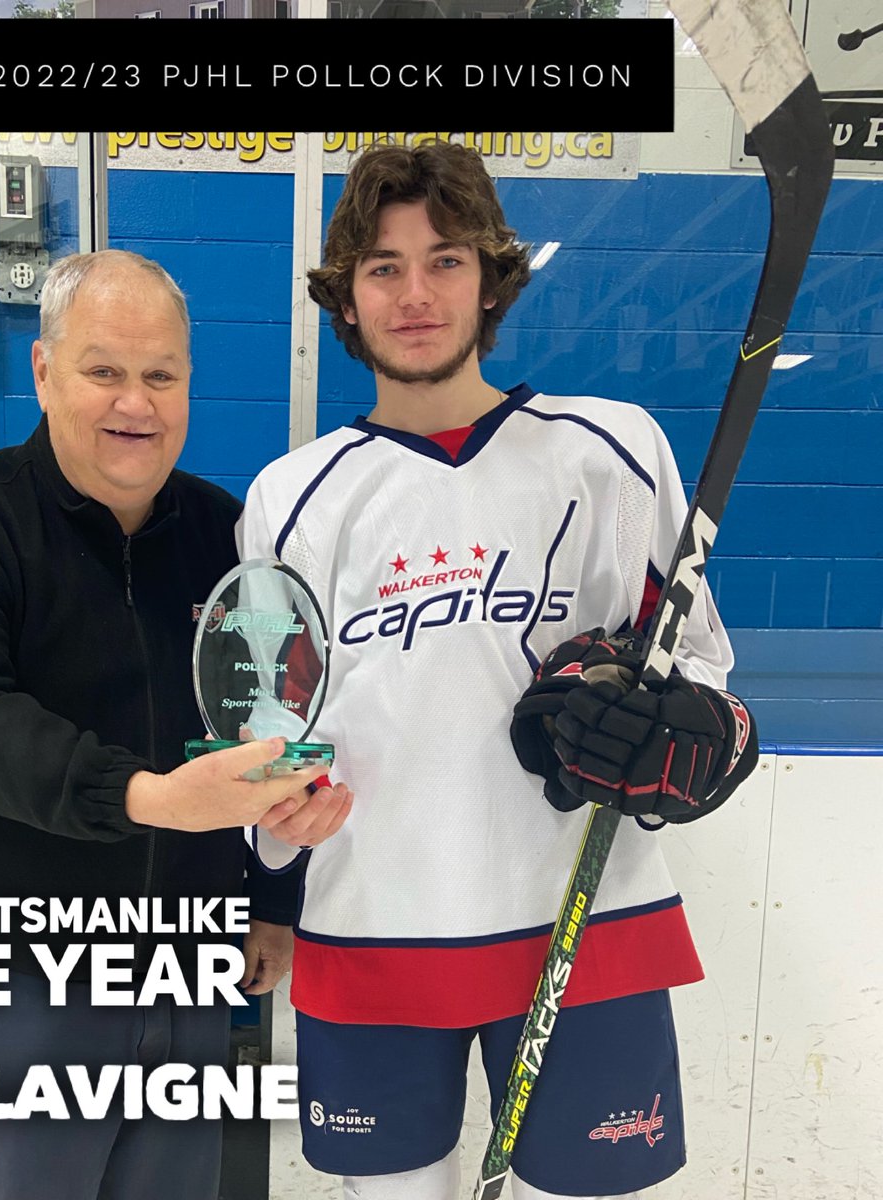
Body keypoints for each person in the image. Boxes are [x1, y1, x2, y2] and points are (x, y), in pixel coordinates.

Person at [238, 143, 759, 1200]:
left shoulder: (612, 451)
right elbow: (266, 736)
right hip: (370, 930)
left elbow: (703, 675)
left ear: (492, 278)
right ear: (346, 294)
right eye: (383, 267)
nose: (416, 293)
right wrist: (272, 835)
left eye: (446, 259)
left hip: (586, 931)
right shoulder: (291, 497)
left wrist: (678, 731)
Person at [0, 249, 351, 1200]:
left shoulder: (227, 534)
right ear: (45, 373)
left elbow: (262, 720)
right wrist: (150, 800)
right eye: (105, 371)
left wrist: (268, 893)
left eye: (161, 375)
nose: (136, 401)